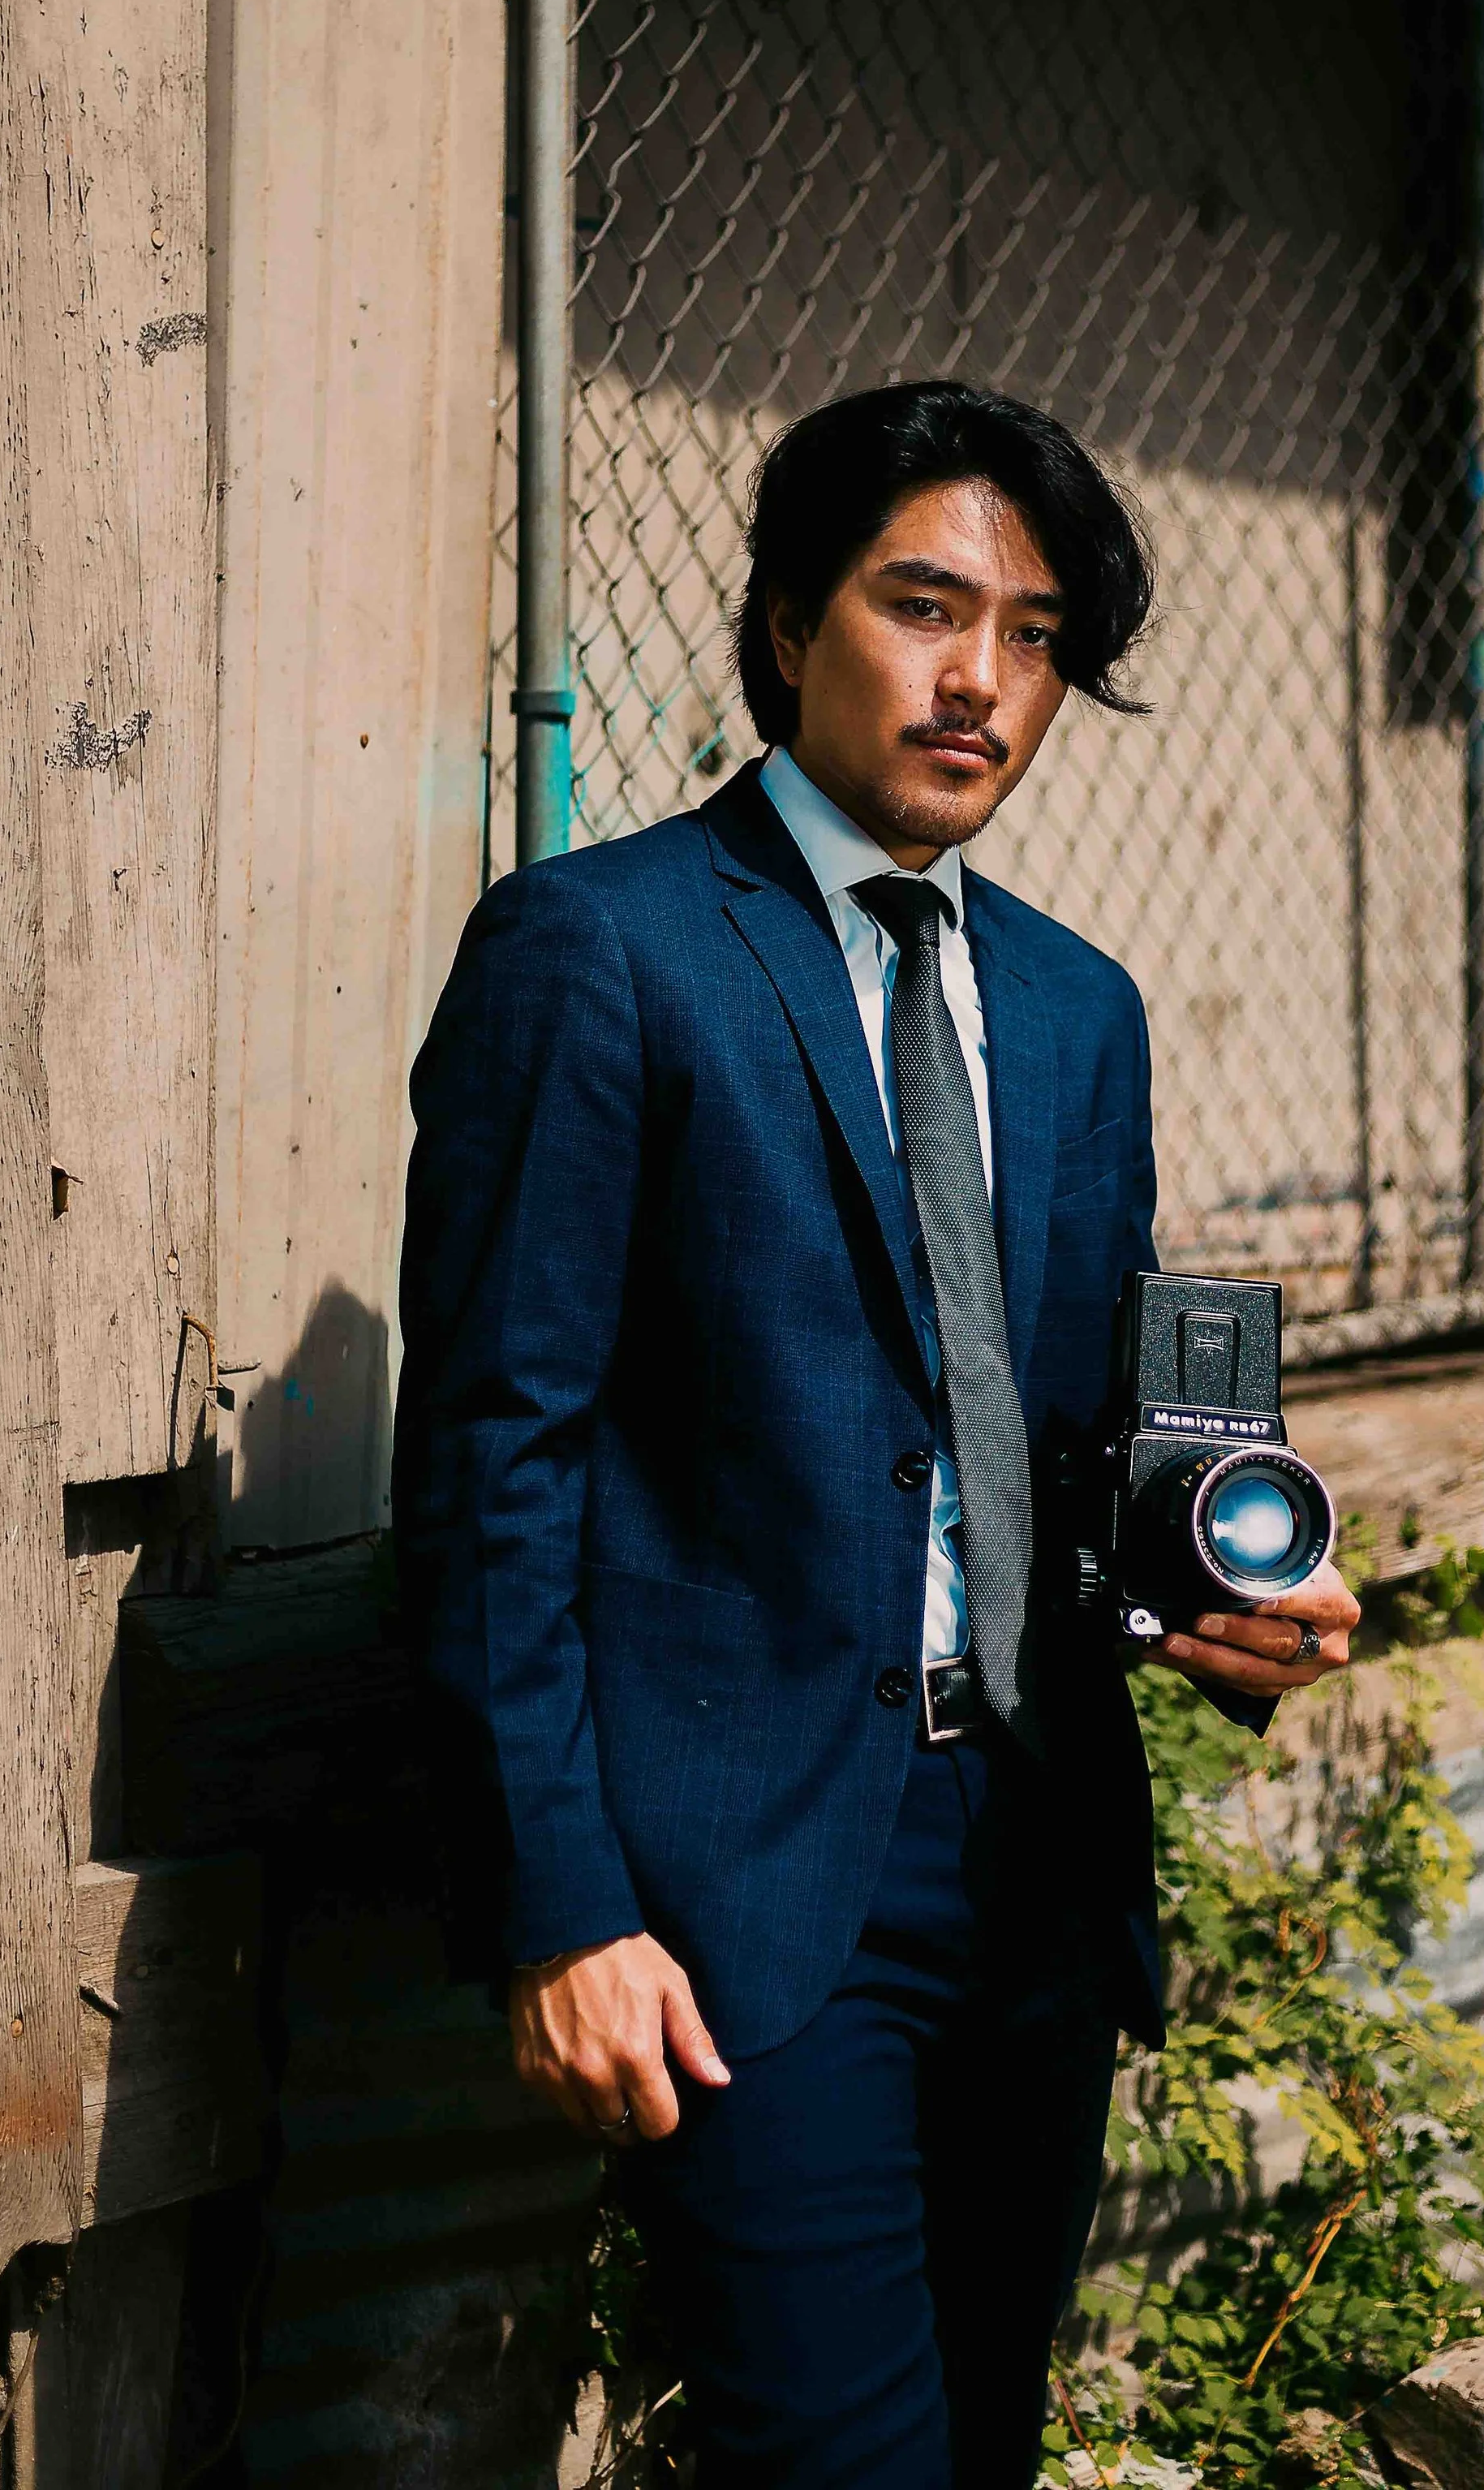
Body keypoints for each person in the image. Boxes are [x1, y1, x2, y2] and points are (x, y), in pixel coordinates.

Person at [394, 380, 1361, 2489]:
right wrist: (560, 1905)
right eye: (923, 606)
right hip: (740, 1875)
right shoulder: (602, 949)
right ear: (784, 623)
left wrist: (1225, 1600)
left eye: (1033, 634)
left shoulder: (1079, 1005)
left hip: (1035, 1854)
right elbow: (488, 1459)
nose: (978, 678)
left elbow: (1071, 1435)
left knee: (985, 2443)